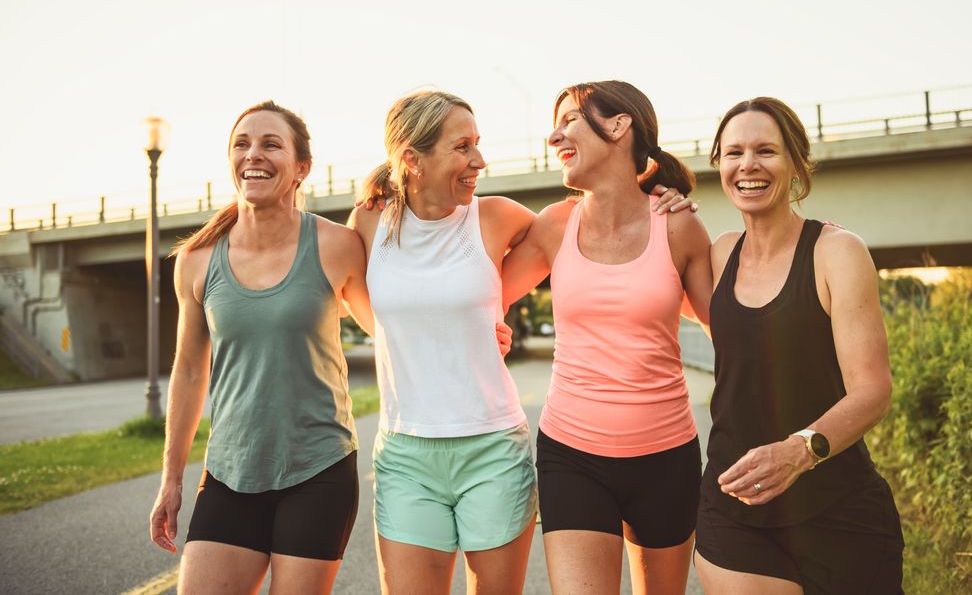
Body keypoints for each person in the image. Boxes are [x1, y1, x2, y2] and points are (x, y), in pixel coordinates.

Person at [350, 89, 694, 595]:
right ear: (411, 159)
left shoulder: (501, 217)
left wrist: (661, 197)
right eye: (462, 146)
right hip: (411, 452)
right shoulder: (368, 222)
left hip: (497, 444)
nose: (478, 161)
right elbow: (373, 310)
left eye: (477, 144)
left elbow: (588, 251)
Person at [148, 101, 374, 594]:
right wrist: (171, 480)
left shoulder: (337, 245)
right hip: (230, 471)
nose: (255, 154)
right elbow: (188, 372)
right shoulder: (196, 261)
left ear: (301, 168)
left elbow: (388, 327)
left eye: (272, 144)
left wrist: (481, 325)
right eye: (242, 144)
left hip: (319, 469)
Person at [500, 80, 712, 594]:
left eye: (569, 118)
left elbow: (729, 329)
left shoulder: (678, 227)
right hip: (572, 456)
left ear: (619, 126)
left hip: (667, 458)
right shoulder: (555, 226)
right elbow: (481, 292)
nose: (555, 136)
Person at [693, 97, 904, 594]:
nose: (748, 165)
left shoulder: (836, 252)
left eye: (766, 150)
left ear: (795, 164)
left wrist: (799, 451)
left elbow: (873, 390)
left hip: (837, 509)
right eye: (733, 152)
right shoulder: (720, 253)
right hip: (733, 506)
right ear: (719, 165)